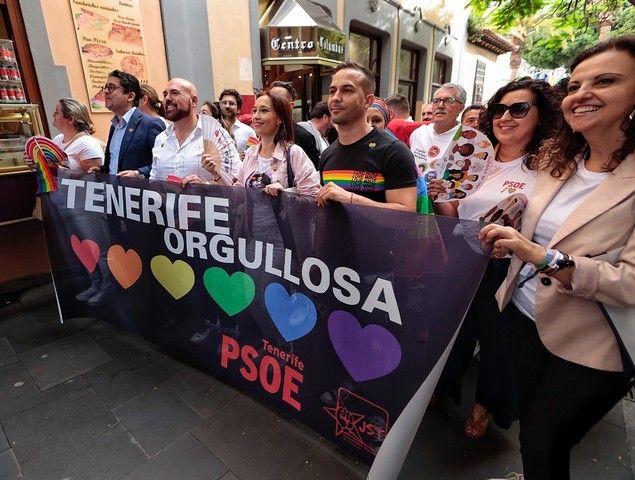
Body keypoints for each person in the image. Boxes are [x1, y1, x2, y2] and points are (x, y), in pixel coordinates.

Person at [480, 36, 635, 479]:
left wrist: (542, 256)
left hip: (593, 343)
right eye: (574, 84)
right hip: (523, 318)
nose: (582, 93)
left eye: (605, 81)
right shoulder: (558, 160)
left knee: (544, 439)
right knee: (535, 431)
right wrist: (509, 235)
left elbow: (630, 282)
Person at [429, 79, 562, 440]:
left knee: (498, 342)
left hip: (509, 267)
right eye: (499, 109)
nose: (506, 116)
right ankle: (442, 388)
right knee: (452, 331)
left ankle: (484, 405)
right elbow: (453, 212)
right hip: (462, 256)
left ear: (542, 116)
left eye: (519, 109)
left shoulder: (548, 169)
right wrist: (441, 196)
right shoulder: (474, 156)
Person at [317, 61, 417, 211]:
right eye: (332, 91)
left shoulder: (393, 151)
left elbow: (406, 216)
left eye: (347, 90)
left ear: (368, 101)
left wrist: (350, 199)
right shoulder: (327, 155)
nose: (336, 98)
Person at [149, 78, 240, 185]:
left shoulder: (217, 135)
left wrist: (207, 185)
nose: (167, 98)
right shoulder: (161, 139)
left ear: (193, 101)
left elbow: (236, 180)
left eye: (175, 93)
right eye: (165, 94)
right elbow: (154, 181)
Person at [234, 91, 320, 196]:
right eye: (254, 110)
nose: (256, 116)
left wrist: (285, 194)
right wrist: (216, 176)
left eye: (264, 110)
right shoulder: (250, 154)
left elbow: (312, 195)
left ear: (279, 118)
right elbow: (237, 192)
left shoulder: (294, 153)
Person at [91, 70, 165, 177]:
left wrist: (138, 173)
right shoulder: (114, 126)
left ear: (130, 96)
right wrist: (102, 170)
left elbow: (162, 163)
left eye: (111, 88)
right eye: (105, 87)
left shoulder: (151, 124)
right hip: (114, 191)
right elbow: (116, 160)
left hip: (139, 191)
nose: (106, 92)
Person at [410, 84, 466, 173]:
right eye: (436, 101)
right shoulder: (418, 133)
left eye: (448, 100)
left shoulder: (467, 139)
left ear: (461, 108)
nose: (440, 105)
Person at [268, 80, 322, 169]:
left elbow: (313, 174)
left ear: (290, 106)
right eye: (269, 99)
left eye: (278, 100)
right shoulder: (262, 133)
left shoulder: (303, 137)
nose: (271, 104)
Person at [50, 98, 104, 172]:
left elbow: (95, 179)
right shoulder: (57, 139)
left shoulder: (86, 143)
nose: (53, 115)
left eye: (57, 112)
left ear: (71, 119)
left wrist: (58, 169)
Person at [219, 88, 256, 157]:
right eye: (224, 103)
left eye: (231, 103)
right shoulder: (214, 130)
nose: (227, 106)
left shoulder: (249, 132)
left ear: (238, 109)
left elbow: (253, 158)